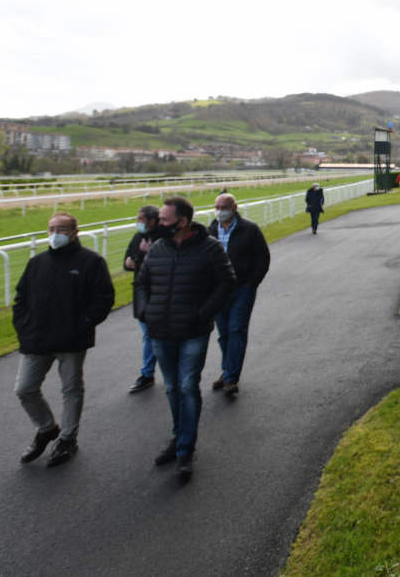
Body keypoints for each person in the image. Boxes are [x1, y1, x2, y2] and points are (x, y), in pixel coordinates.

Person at [134, 196, 235, 477]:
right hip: (160, 330)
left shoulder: (210, 248)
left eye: (165, 220)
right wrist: (144, 311)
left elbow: (227, 282)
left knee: (188, 386)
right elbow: (142, 283)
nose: (159, 224)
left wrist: (204, 313)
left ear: (183, 221)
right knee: (172, 388)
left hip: (193, 331)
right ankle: (179, 437)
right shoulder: (158, 248)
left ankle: (185, 449)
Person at [12, 212, 115, 467]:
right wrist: (23, 327)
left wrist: (82, 325)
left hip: (72, 340)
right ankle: (47, 428)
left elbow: (104, 299)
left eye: (61, 229)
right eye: (51, 229)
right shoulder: (37, 263)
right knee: (25, 389)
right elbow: (20, 298)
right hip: (36, 339)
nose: (55, 234)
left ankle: (68, 438)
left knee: (71, 389)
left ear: (74, 232)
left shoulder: (92, 262)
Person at [207, 193, 271, 397]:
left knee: (236, 330)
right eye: (217, 207)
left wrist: (252, 283)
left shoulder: (250, 229)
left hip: (242, 289)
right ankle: (227, 370)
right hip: (218, 290)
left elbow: (263, 257)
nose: (220, 211)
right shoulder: (210, 230)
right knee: (224, 334)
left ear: (234, 208)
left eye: (224, 207)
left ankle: (231, 378)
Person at [124, 204, 164, 393]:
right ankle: (148, 373)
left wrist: (143, 256)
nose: (138, 222)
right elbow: (127, 263)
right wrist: (136, 258)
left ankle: (153, 372)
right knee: (149, 334)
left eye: (141, 219)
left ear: (153, 220)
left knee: (154, 335)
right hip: (142, 292)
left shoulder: (164, 237)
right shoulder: (138, 237)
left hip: (161, 291)